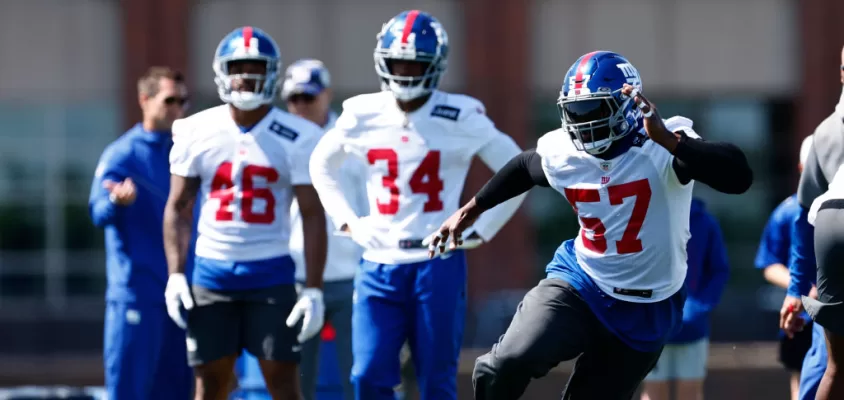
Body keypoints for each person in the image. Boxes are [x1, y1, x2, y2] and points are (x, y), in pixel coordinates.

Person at [428, 50, 753, 399]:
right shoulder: (564, 151)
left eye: (596, 110)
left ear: (628, 105)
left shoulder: (664, 144)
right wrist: (471, 209)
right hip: (581, 283)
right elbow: (524, 167)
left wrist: (671, 142)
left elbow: (738, 177)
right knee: (504, 365)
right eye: (577, 111)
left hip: (648, 306)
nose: (586, 123)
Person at [308, 10, 526, 400]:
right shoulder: (363, 112)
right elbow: (320, 164)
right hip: (378, 262)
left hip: (437, 262)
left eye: (416, 63)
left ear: (435, 64)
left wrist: (480, 230)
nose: (406, 72)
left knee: (436, 379)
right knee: (368, 374)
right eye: (398, 63)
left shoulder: (460, 114)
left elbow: (517, 171)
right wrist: (347, 222)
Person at [162, 26, 328, 400]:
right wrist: (175, 275)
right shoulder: (195, 129)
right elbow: (177, 206)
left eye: (256, 67)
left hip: (270, 271)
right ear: (222, 71)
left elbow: (312, 213)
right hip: (212, 272)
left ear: (272, 73)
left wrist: (314, 288)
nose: (247, 76)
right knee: (210, 381)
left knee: (283, 381)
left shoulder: (298, 135)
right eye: (238, 66)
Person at [233, 59, 363, 400]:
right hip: (295, 277)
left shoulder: (350, 139)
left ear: (327, 95)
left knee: (359, 377)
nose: (301, 105)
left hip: (350, 273)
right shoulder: (278, 140)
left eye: (309, 97)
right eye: (294, 99)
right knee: (294, 381)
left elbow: (370, 204)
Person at [88, 66, 194, 400]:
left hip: (179, 297)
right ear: (144, 100)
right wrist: (117, 202)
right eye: (170, 100)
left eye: (183, 101)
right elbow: (97, 210)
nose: (178, 108)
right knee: (130, 392)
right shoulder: (123, 153)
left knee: (178, 391)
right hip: (137, 297)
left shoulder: (185, 150)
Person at [783, 44, 844, 400]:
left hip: (830, 226)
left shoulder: (823, 131)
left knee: (836, 367)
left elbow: (805, 219)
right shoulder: (824, 133)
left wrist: (795, 290)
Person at [640, 197, 730, 400]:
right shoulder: (645, 218)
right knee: (654, 392)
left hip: (692, 329)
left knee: (690, 393)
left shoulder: (705, 222)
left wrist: (698, 307)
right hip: (652, 325)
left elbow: (719, 270)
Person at [754, 135, 815, 400]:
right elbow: (769, 264)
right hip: (802, 317)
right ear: (802, 168)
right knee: (802, 383)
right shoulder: (787, 212)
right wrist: (801, 287)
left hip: (835, 311)